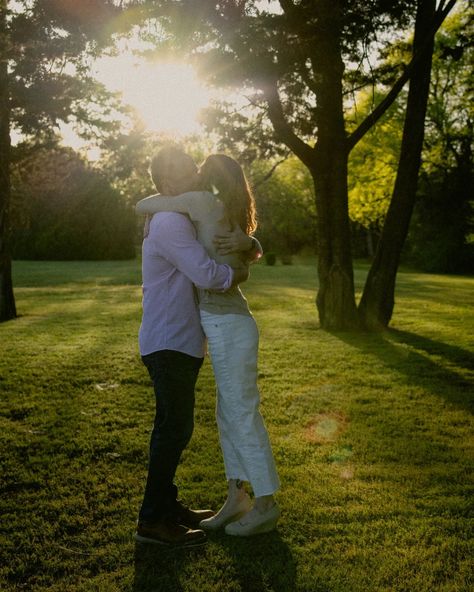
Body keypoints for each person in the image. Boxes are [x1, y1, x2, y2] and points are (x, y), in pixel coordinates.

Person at [136, 153, 280, 537]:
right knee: (214, 417)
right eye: (184, 167)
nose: (193, 171)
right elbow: (209, 270)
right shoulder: (190, 212)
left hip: (224, 325)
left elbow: (146, 204)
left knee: (236, 413)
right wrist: (245, 257)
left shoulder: (200, 206)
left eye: (196, 168)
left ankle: (264, 502)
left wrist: (247, 250)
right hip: (192, 332)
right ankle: (231, 497)